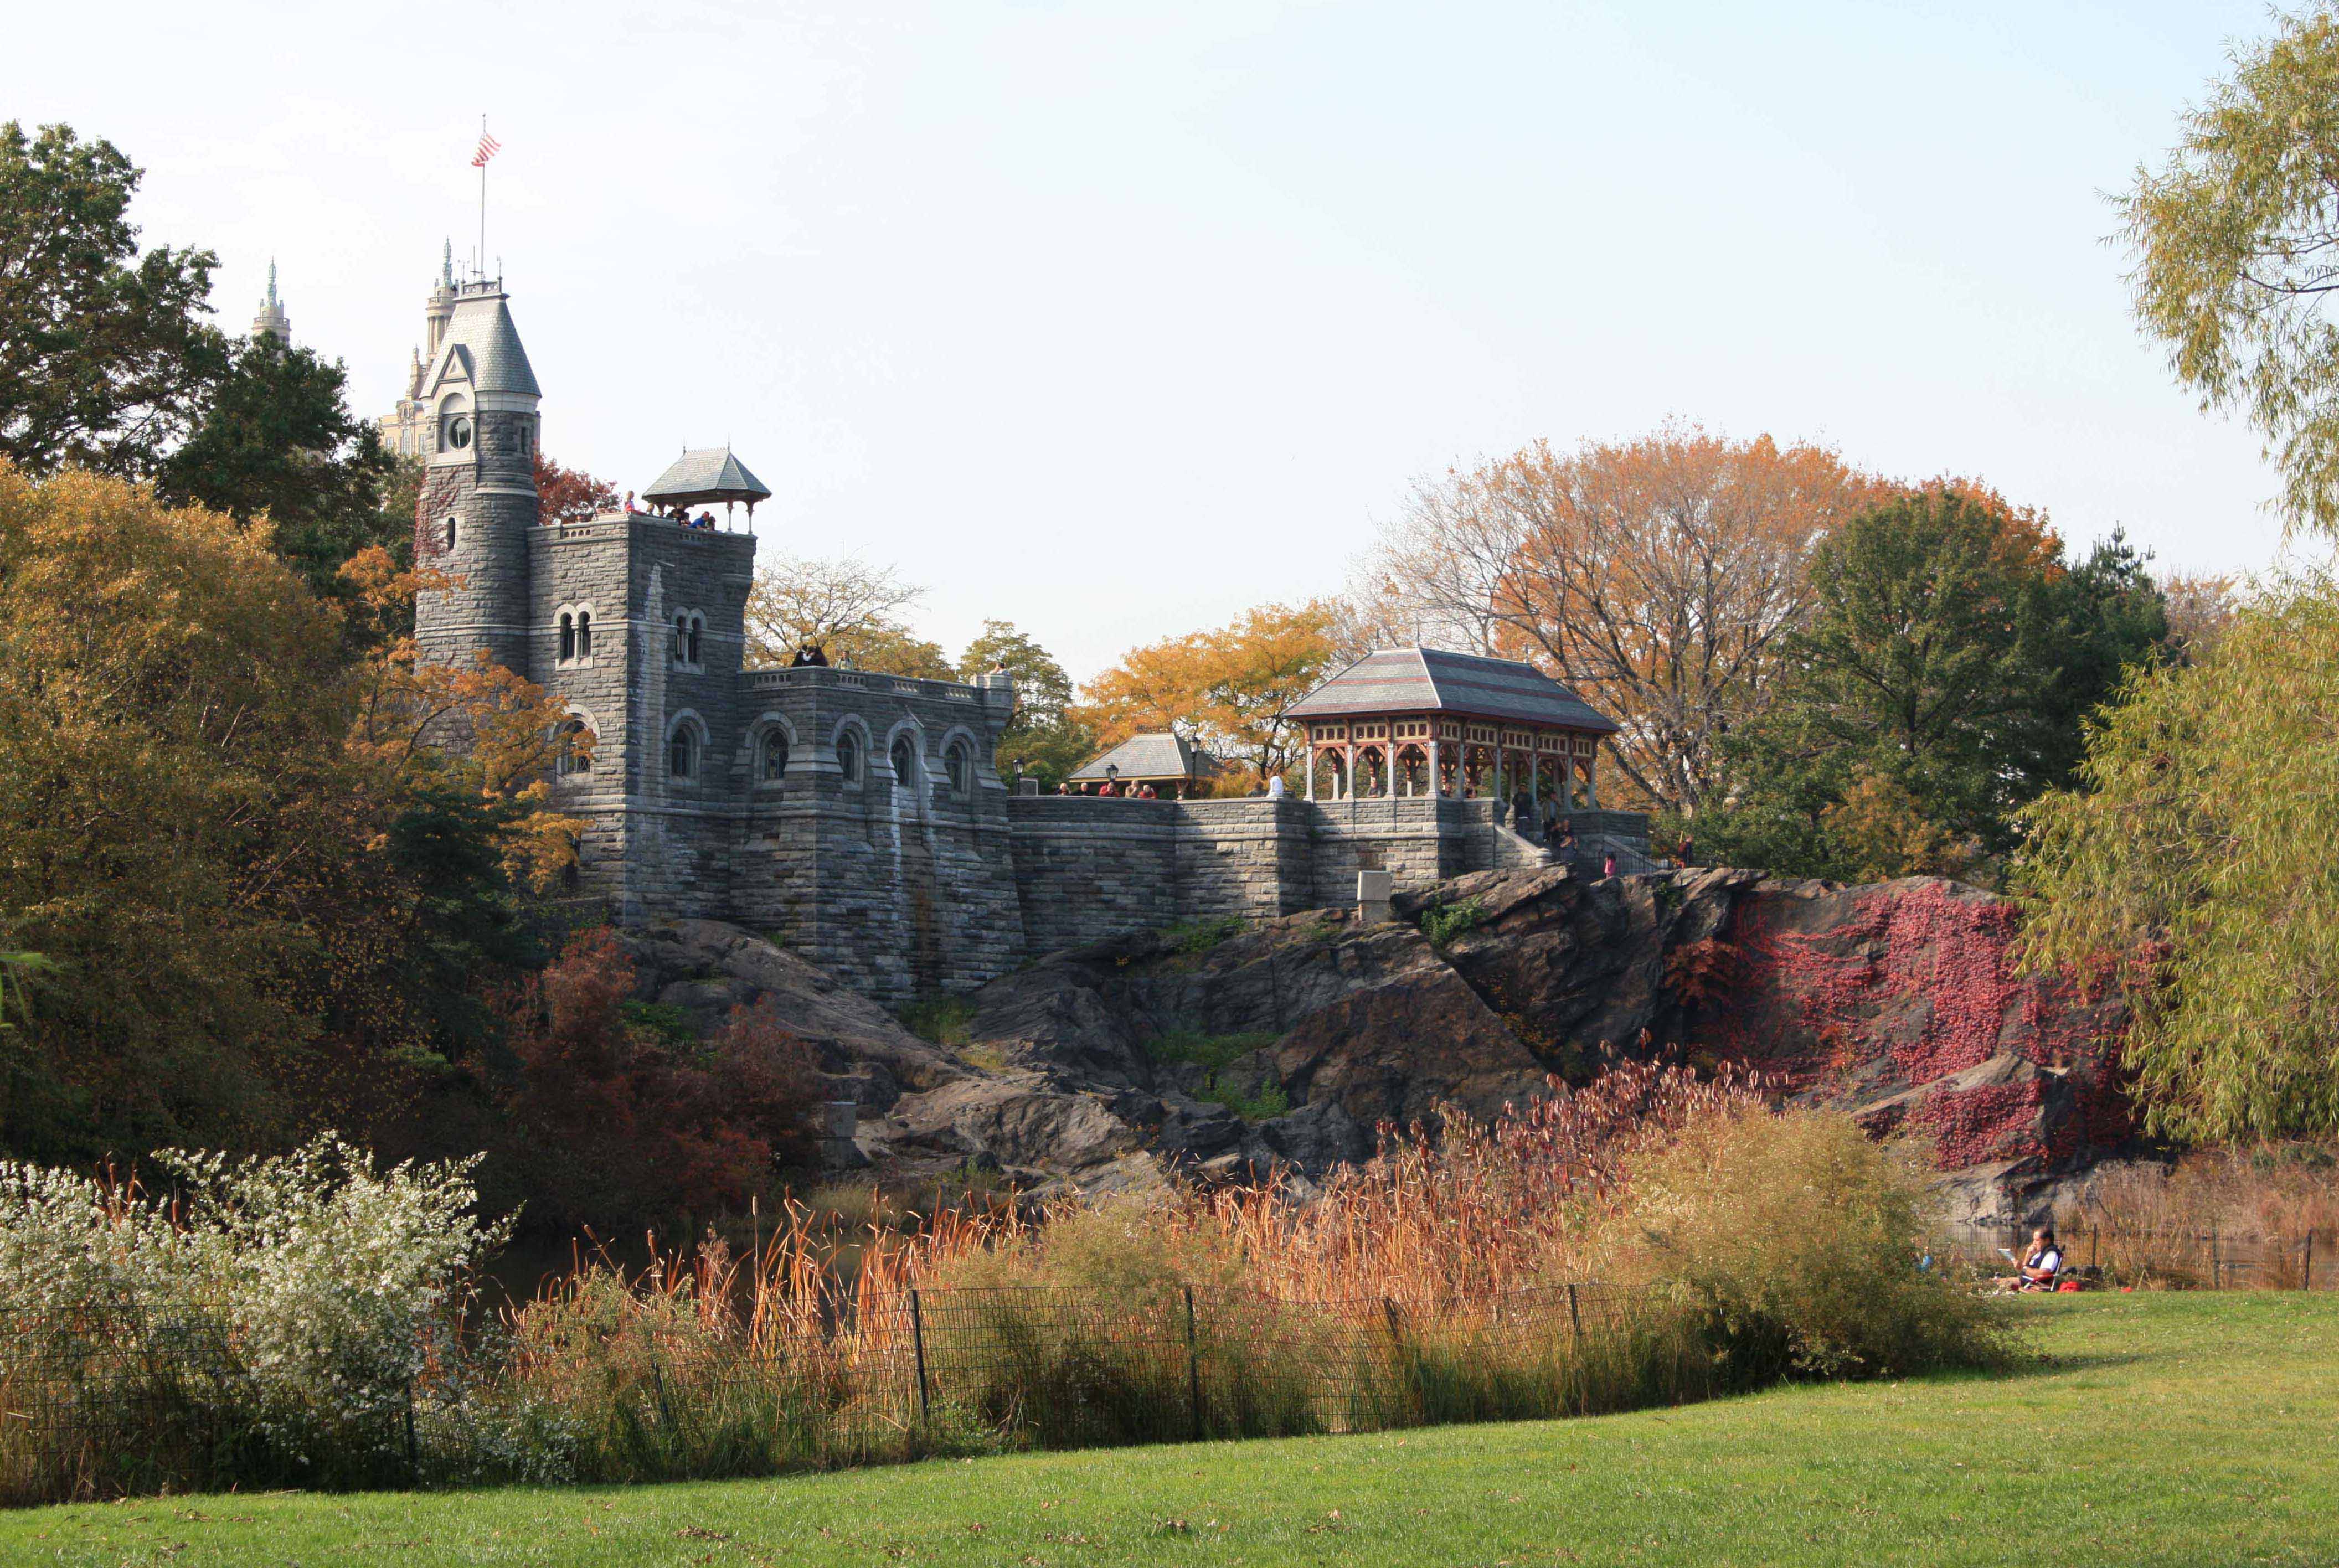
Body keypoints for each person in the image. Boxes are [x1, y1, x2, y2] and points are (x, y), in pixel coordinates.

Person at [2000, 1226, 2064, 1292]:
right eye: (2034, 1240)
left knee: (2002, 1282)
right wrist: (2028, 1256)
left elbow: (2043, 1274)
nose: (2034, 1243)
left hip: (2037, 1283)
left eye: (2037, 1240)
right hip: (2028, 1280)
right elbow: (2023, 1270)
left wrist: (2023, 1268)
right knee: (1999, 1281)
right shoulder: (2038, 1252)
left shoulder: (2051, 1254)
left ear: (2047, 1240)